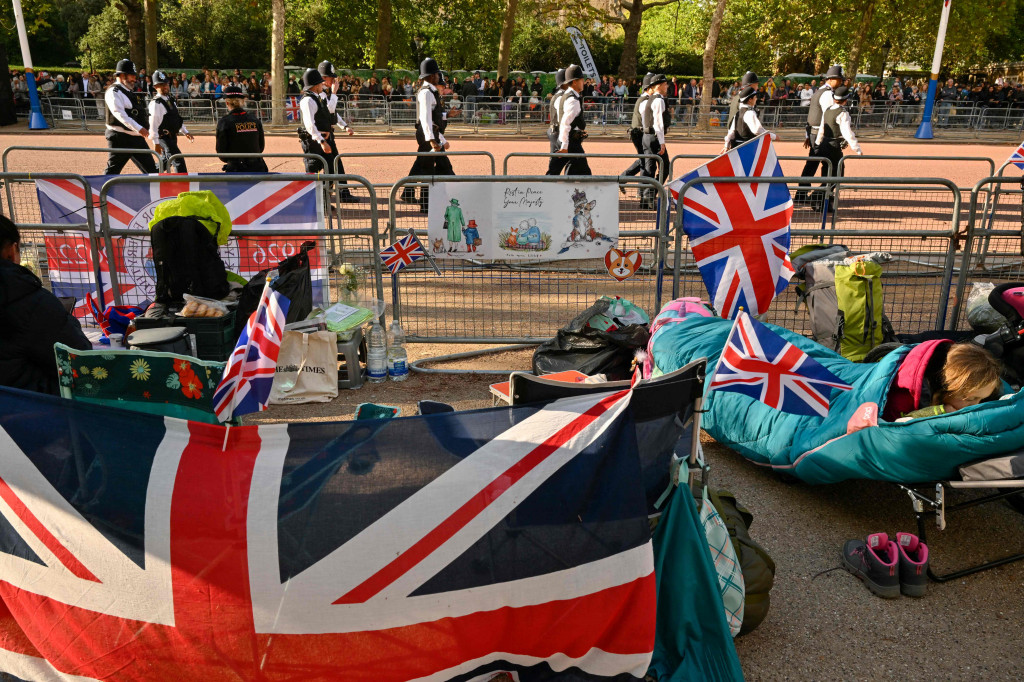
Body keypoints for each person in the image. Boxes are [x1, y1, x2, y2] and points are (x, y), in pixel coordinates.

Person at [0, 215, 91, 395]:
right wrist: (68, 321)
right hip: (30, 410)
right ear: (12, 250)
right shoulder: (29, 300)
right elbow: (80, 360)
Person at [401, 58, 455, 212]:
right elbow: (425, 117)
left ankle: (426, 202)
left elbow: (433, 115)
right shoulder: (426, 93)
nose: (439, 76)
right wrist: (431, 139)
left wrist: (447, 116)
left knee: (431, 167)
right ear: (432, 76)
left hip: (431, 132)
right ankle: (428, 204)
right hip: (428, 133)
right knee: (430, 168)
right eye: (437, 74)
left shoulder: (430, 92)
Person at [901, 343, 1002, 419]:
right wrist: (941, 411)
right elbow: (903, 422)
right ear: (945, 387)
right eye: (970, 399)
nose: (975, 406)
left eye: (981, 399)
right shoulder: (907, 396)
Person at [796, 64, 843, 201]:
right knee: (833, 164)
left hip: (814, 132)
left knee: (812, 163)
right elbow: (828, 116)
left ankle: (801, 193)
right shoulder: (828, 93)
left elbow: (812, 115)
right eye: (839, 79)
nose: (841, 82)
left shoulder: (818, 91)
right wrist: (837, 135)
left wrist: (808, 135)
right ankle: (824, 193)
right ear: (832, 79)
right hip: (822, 134)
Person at [103, 59, 158, 175]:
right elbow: (120, 114)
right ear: (122, 75)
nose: (134, 79)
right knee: (112, 172)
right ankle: (100, 192)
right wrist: (139, 128)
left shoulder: (127, 91)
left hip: (136, 138)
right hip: (120, 138)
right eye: (132, 75)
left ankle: (154, 192)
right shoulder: (114, 91)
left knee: (152, 170)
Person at [315, 61, 357, 202]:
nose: (333, 80)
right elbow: (329, 110)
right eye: (330, 77)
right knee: (327, 167)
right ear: (322, 77)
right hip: (320, 135)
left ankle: (342, 192)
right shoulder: (319, 93)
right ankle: (322, 196)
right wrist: (334, 92)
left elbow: (333, 114)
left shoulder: (323, 93)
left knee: (336, 163)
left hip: (328, 133)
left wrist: (344, 126)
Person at [215, 83, 268, 172]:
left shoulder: (224, 122)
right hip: (257, 167)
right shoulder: (255, 120)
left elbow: (221, 151)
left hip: (235, 168)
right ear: (242, 101)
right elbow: (261, 146)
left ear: (227, 103)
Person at [148, 70, 194, 174]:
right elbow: (153, 125)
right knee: (178, 160)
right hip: (163, 138)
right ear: (155, 87)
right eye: (161, 85)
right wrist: (155, 143)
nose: (165, 87)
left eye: (166, 84)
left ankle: (151, 174)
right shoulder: (156, 103)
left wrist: (185, 131)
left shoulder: (171, 99)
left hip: (172, 136)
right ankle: (182, 184)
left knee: (166, 160)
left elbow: (176, 118)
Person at [548, 64, 590, 176]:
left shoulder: (567, 94)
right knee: (584, 171)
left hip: (567, 138)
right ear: (575, 81)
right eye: (582, 80)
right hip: (569, 140)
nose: (584, 82)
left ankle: (547, 188)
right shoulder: (572, 99)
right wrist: (564, 146)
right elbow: (565, 123)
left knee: (556, 169)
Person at [640, 74, 670, 208]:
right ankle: (651, 194)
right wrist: (662, 142)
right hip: (654, 137)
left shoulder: (649, 99)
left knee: (649, 169)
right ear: (659, 86)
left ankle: (646, 200)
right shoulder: (658, 100)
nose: (667, 86)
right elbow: (659, 123)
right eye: (665, 84)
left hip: (646, 136)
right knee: (666, 166)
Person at [722, 86, 776, 152]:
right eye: (755, 97)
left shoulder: (738, 113)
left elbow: (731, 132)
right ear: (750, 99)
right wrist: (773, 136)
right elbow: (757, 130)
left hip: (737, 148)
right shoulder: (750, 112)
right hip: (748, 148)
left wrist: (726, 145)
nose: (756, 99)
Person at [546, 68, 568, 165]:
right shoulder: (561, 97)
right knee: (568, 160)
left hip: (554, 130)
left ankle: (551, 178)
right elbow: (563, 119)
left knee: (555, 162)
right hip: (558, 132)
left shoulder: (559, 95)